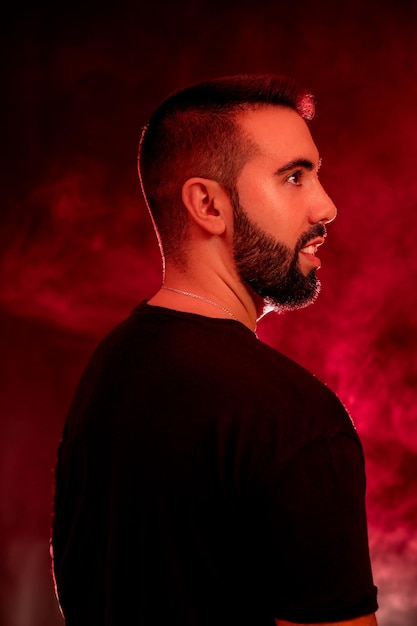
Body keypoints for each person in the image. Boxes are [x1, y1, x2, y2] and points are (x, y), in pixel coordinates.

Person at [51, 74, 379, 626]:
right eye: (294, 177)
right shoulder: (295, 420)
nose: (327, 207)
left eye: (315, 175)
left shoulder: (108, 369)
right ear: (208, 204)